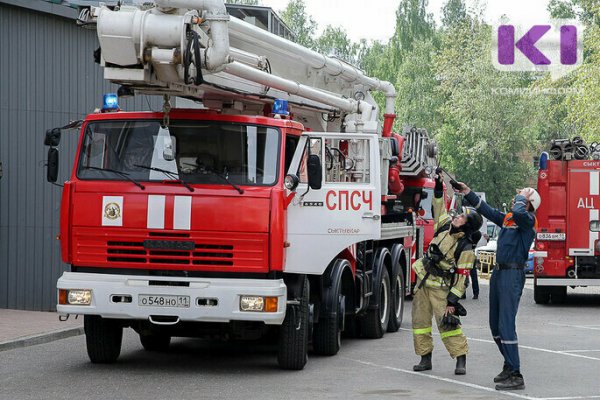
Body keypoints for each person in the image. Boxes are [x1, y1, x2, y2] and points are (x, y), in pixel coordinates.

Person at [457, 184, 540, 391]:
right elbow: (487, 210)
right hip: (499, 273)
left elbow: (520, 212)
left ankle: (516, 373)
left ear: (528, 204)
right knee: (495, 327)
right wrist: (467, 193)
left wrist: (522, 198)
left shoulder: (527, 220)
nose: (515, 199)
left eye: (519, 198)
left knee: (505, 325)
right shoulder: (509, 219)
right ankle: (509, 364)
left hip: (512, 274)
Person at [411, 170, 483, 375]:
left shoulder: (465, 248)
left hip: (441, 290)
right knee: (420, 324)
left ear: (467, 225)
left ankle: (461, 360)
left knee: (448, 325)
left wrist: (452, 302)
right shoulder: (443, 226)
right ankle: (425, 358)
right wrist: (438, 184)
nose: (457, 216)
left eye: (462, 216)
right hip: (423, 284)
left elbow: (462, 278)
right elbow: (438, 205)